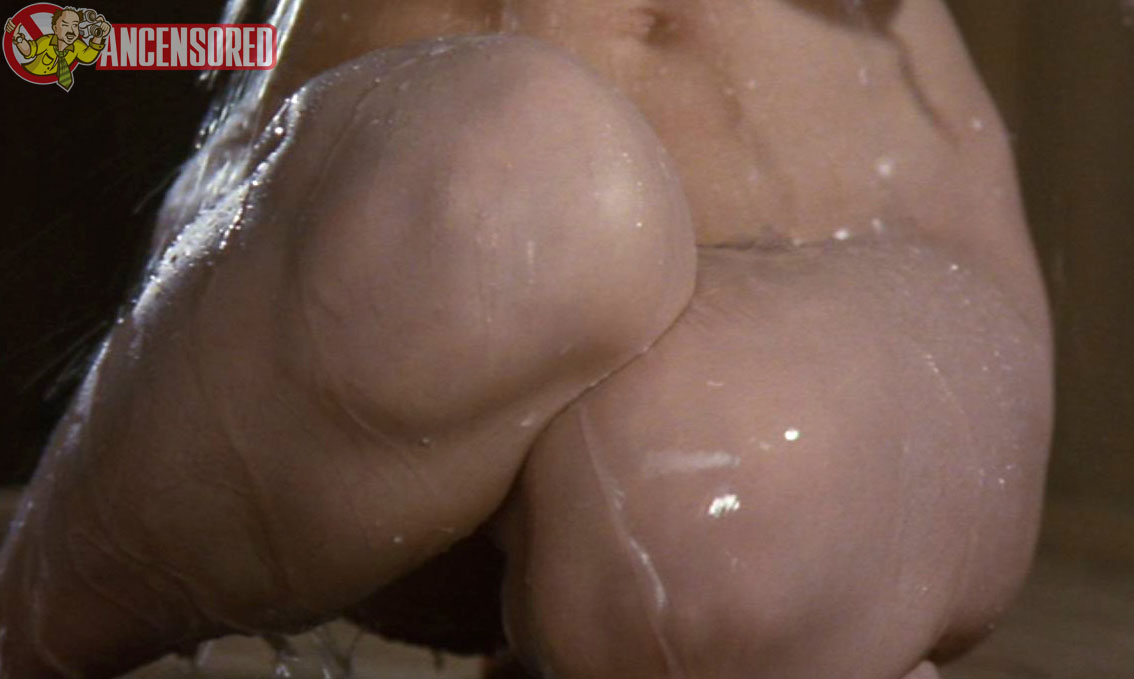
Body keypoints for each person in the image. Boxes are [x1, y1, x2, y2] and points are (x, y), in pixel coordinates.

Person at [0, 1, 1053, 677]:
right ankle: (36, 614)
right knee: (504, 199)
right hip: (375, 241)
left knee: (709, 504)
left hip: (866, 263)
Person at [5, 7, 110, 91]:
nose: (71, 30)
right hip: (27, 81)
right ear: (55, 29)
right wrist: (17, 37)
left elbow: (88, 57)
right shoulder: (47, 41)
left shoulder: (77, 46)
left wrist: (99, 35)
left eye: (75, 25)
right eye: (65, 25)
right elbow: (29, 51)